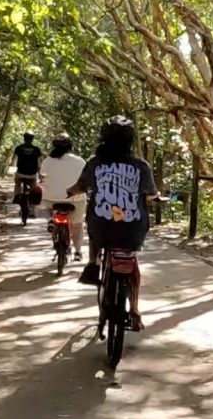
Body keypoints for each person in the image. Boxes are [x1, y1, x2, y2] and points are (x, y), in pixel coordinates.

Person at [68, 115, 158, 331]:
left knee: (96, 229)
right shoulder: (141, 165)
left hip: (102, 225)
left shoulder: (95, 163)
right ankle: (135, 310)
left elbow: (80, 186)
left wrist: (70, 191)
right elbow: (151, 193)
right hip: (132, 228)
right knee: (131, 259)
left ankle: (93, 263)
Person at [38, 134, 86, 260]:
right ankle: (78, 251)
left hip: (51, 199)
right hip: (75, 199)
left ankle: (51, 219)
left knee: (49, 208)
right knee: (77, 224)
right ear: (71, 146)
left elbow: (42, 176)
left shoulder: (48, 161)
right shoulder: (80, 161)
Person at [11, 132, 43, 218]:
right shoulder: (36, 149)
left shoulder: (19, 148)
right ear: (32, 139)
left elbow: (13, 160)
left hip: (20, 174)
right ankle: (32, 211)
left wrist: (12, 168)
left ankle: (17, 196)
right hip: (32, 175)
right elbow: (39, 163)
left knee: (17, 183)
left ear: (24, 138)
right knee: (33, 190)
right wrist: (39, 173)